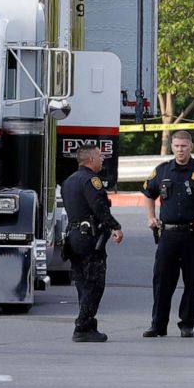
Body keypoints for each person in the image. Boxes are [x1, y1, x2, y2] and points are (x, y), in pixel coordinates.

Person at [141, 130, 194, 338]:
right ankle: (158, 324)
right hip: (168, 235)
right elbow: (149, 192)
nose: (180, 150)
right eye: (176, 146)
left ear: (191, 147)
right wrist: (151, 216)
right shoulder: (163, 170)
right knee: (162, 281)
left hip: (193, 236)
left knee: (191, 280)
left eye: (184, 146)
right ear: (172, 146)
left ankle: (187, 324)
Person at [61, 144, 124, 342]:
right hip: (89, 238)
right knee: (95, 283)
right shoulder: (91, 180)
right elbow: (98, 206)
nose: (102, 159)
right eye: (100, 156)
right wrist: (115, 226)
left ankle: (88, 325)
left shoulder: (69, 181)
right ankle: (82, 326)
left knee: (82, 282)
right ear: (91, 160)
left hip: (73, 237)